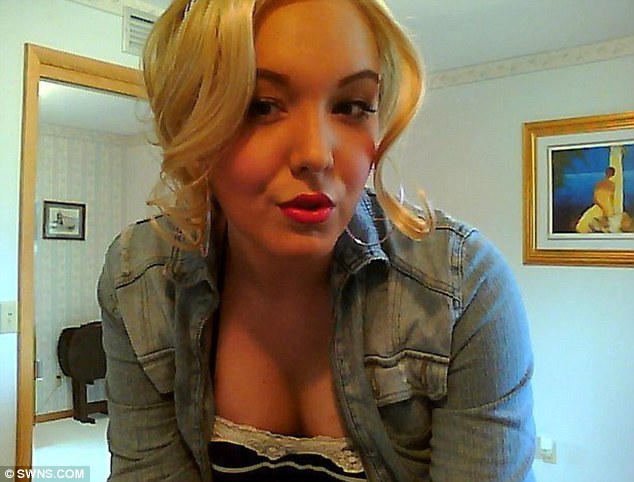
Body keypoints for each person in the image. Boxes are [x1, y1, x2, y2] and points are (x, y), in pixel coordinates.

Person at [97, 0, 535, 480]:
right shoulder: (141, 280)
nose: (317, 154)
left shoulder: (459, 287)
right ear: (192, 122)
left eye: (352, 107)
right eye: (262, 106)